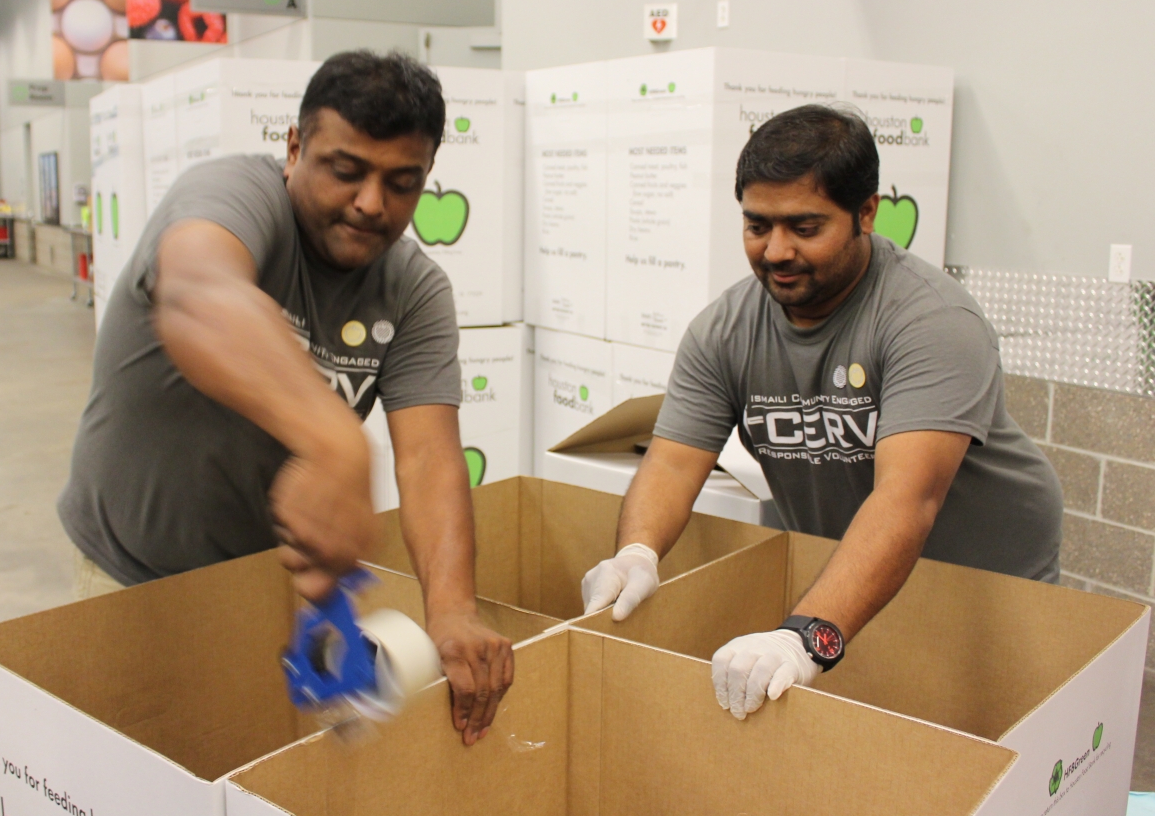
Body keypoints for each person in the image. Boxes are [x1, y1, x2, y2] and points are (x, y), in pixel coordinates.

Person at [58, 51, 512, 745]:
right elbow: (197, 294)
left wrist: (450, 610)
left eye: (402, 183)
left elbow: (428, 459)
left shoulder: (416, 291)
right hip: (134, 580)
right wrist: (334, 443)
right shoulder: (234, 197)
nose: (371, 203)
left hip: (268, 594)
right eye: (346, 170)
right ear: (295, 147)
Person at [580, 104, 1063, 721]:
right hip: (858, 566)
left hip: (983, 578)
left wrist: (805, 638)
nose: (776, 250)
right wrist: (637, 553)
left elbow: (906, 499)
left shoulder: (932, 322)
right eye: (757, 225)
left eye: (804, 227)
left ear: (866, 213)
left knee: (979, 748)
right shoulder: (724, 331)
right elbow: (673, 464)